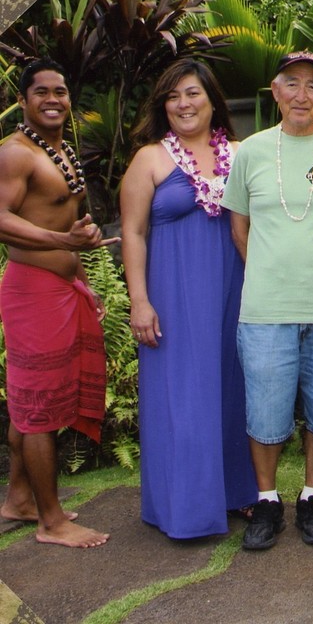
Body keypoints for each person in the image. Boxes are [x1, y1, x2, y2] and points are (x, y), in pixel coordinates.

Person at [220, 51, 313, 550]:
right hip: (265, 309)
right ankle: (266, 501)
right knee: (266, 411)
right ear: (275, 92)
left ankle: (312, 496)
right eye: (292, 84)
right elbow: (239, 226)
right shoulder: (251, 153)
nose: (302, 95)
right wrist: (269, 269)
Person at [120, 58, 257, 539]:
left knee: (233, 388)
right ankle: (184, 507)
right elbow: (133, 234)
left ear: (212, 99)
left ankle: (239, 492)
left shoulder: (242, 152)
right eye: (174, 96)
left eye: (193, 93)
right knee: (183, 398)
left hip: (235, 291)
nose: (184, 104)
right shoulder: (150, 159)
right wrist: (140, 300)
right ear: (163, 105)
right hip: (173, 296)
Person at [0, 58, 116, 548]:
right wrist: (59, 241)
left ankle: (20, 499)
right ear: (24, 101)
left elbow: (66, 221)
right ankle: (52, 522)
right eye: (41, 91)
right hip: (33, 292)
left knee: (34, 402)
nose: (53, 99)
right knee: (39, 408)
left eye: (61, 91)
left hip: (63, 290)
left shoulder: (59, 149)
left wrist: (81, 261)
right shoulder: (14, 153)